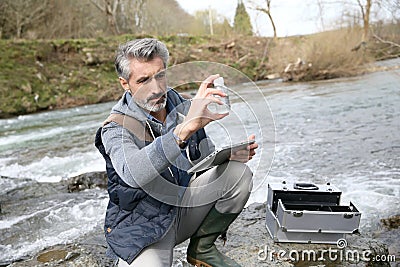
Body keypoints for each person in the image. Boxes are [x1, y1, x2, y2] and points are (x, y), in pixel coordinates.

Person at [95, 38, 258, 267]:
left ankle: (203, 248)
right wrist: (183, 130)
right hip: (142, 231)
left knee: (238, 173)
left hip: (181, 210)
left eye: (160, 75)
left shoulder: (175, 101)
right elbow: (132, 174)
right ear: (125, 83)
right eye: (143, 80)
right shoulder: (114, 128)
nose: (157, 88)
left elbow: (201, 162)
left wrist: (226, 156)